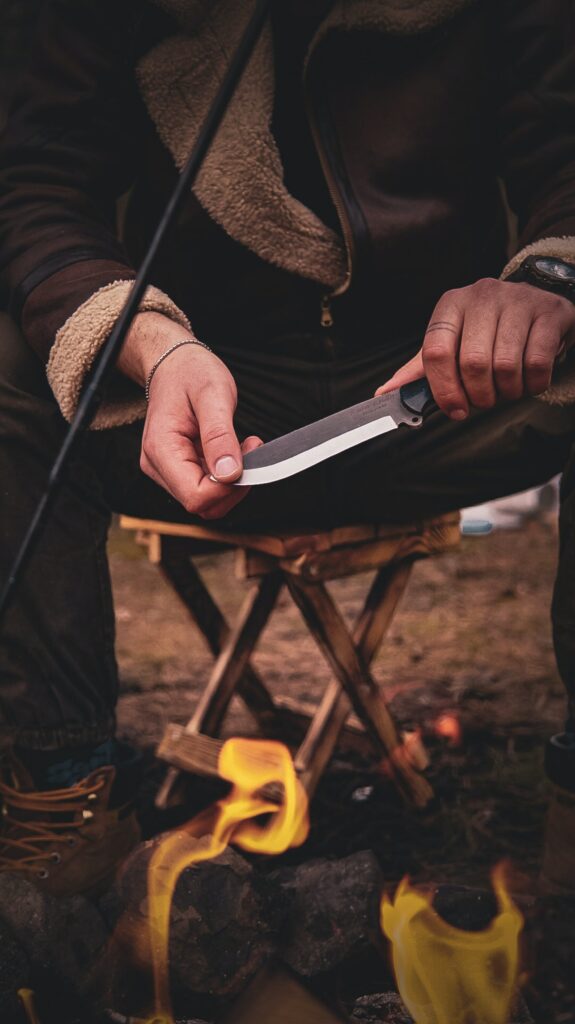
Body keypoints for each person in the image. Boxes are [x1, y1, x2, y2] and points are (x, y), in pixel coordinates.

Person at [1, 0, 575, 896]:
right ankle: (61, 798)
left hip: (447, 388)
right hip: (190, 405)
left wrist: (548, 274)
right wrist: (149, 344)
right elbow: (36, 184)